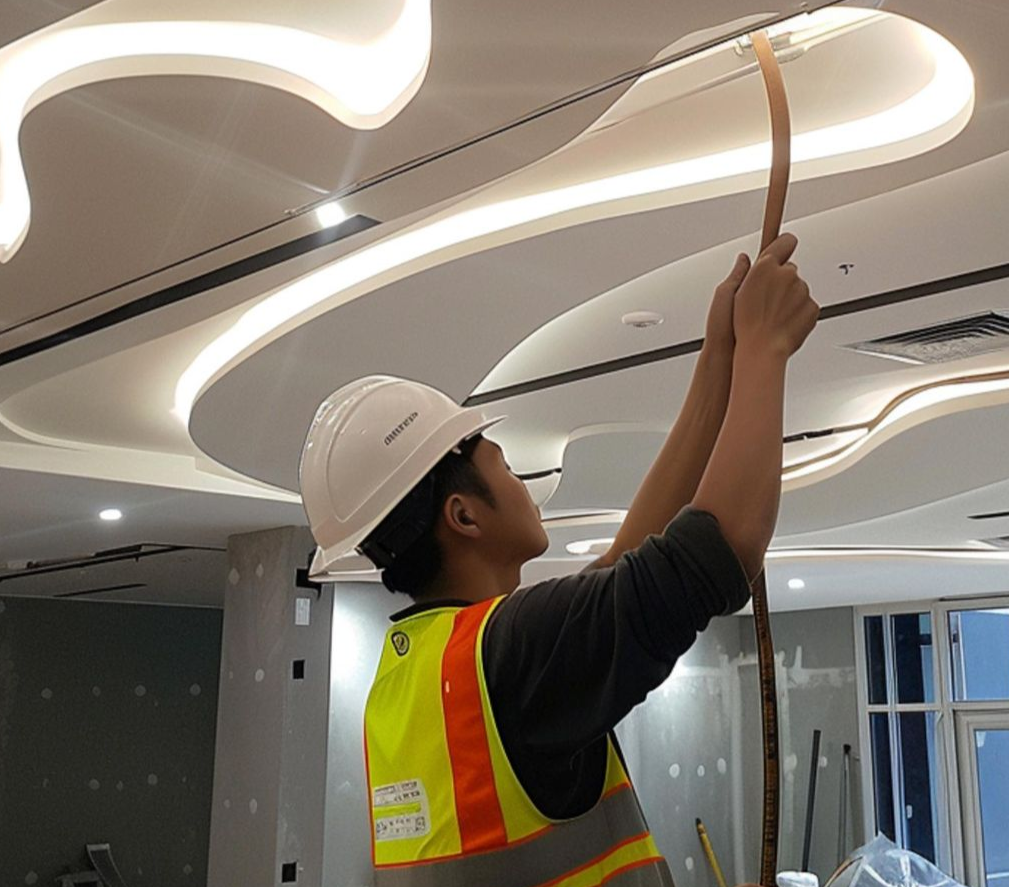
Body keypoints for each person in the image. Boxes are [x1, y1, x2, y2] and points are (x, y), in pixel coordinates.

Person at [299, 233, 819, 886]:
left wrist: (722, 358)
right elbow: (725, 544)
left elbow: (627, 562)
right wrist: (768, 350)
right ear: (464, 515)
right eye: (507, 468)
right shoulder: (511, 652)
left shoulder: (415, 677)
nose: (525, 485)